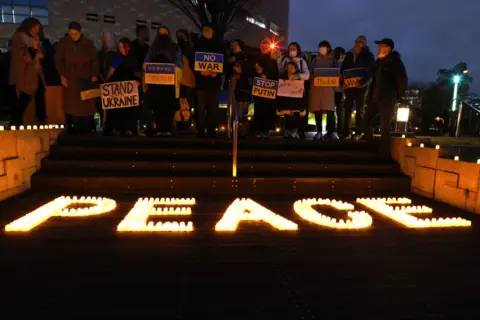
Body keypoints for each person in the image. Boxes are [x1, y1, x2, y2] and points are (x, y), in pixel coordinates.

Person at [366, 38, 408, 159]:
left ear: (388, 48)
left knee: (385, 126)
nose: (379, 48)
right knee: (364, 122)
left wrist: (397, 97)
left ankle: (383, 153)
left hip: (387, 99)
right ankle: (372, 145)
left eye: (381, 46)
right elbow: (371, 76)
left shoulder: (395, 63)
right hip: (374, 98)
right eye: (379, 46)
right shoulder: (378, 62)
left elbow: (402, 81)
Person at [55, 21, 99, 135]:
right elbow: (58, 60)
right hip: (71, 78)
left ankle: (88, 128)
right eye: (71, 33)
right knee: (72, 105)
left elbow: (94, 60)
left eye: (75, 33)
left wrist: (94, 74)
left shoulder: (88, 44)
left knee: (87, 105)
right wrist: (62, 75)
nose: (73, 36)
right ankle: (73, 127)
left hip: (86, 78)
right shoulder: (64, 43)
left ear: (80, 32)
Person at [144, 26, 182, 137]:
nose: (163, 36)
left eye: (165, 33)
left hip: (169, 85)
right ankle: (160, 129)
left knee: (168, 108)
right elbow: (146, 63)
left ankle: (169, 129)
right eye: (161, 34)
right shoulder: (153, 48)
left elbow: (179, 64)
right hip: (156, 85)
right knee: (157, 107)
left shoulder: (174, 47)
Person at [8, 17, 46, 126]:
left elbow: (41, 53)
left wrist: (39, 53)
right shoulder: (19, 37)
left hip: (36, 73)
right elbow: (20, 55)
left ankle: (40, 119)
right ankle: (15, 122)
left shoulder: (36, 38)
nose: (36, 30)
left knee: (39, 95)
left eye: (38, 28)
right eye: (34, 27)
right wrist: (34, 52)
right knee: (24, 97)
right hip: (24, 73)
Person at [102, 37, 141, 136]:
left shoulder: (133, 58)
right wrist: (105, 81)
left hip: (130, 89)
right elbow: (112, 71)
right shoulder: (117, 58)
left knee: (130, 111)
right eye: (119, 47)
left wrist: (139, 81)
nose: (120, 49)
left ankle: (130, 128)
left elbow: (136, 72)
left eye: (122, 47)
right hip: (120, 88)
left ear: (128, 47)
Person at [193, 24, 225, 138]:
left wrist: (217, 72)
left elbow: (224, 63)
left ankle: (211, 130)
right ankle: (200, 130)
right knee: (200, 109)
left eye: (208, 29)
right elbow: (192, 61)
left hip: (214, 83)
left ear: (213, 31)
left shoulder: (219, 46)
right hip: (201, 83)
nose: (205, 31)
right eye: (204, 30)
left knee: (213, 109)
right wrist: (200, 72)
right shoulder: (197, 45)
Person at [340, 35, 375, 140]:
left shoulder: (368, 55)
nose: (358, 43)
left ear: (365, 44)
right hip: (350, 86)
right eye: (356, 41)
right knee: (347, 108)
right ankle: (346, 132)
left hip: (362, 87)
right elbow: (343, 69)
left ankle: (359, 132)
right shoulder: (349, 55)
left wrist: (362, 83)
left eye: (361, 42)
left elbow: (371, 71)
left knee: (360, 109)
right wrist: (343, 81)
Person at [309, 41, 339, 140]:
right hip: (317, 87)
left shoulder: (334, 60)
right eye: (320, 47)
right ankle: (319, 131)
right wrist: (313, 76)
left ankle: (332, 131)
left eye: (324, 47)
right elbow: (310, 71)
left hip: (328, 88)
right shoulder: (315, 60)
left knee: (330, 109)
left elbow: (338, 72)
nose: (322, 49)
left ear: (329, 48)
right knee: (317, 109)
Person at [278, 42, 309, 139]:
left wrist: (298, 76)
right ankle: (287, 130)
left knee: (296, 111)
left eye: (294, 48)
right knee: (287, 111)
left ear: (298, 49)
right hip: (286, 92)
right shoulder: (284, 60)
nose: (292, 50)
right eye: (290, 48)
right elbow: (279, 71)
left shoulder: (301, 61)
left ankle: (298, 130)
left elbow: (307, 75)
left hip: (297, 92)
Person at [253, 38, 279, 138]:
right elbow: (251, 71)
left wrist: (266, 75)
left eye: (265, 47)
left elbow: (275, 74)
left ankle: (267, 130)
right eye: (262, 46)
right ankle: (258, 129)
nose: (263, 48)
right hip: (259, 89)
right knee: (259, 109)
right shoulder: (256, 58)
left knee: (268, 109)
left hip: (269, 90)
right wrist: (258, 73)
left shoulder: (273, 60)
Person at [229, 39, 254, 137]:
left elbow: (250, 71)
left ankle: (243, 131)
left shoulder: (247, 57)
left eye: (236, 45)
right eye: (232, 45)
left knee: (243, 110)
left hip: (245, 87)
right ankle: (235, 131)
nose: (234, 47)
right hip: (234, 86)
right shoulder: (231, 58)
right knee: (235, 110)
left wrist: (241, 71)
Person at [132, 25, 152, 135]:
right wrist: (137, 72)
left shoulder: (147, 47)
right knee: (136, 104)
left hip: (145, 80)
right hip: (136, 79)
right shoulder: (134, 46)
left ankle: (147, 127)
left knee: (145, 105)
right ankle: (136, 127)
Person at [176, 29, 195, 118]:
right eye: (179, 36)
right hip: (179, 79)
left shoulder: (191, 48)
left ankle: (188, 119)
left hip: (188, 79)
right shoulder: (177, 49)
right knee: (180, 101)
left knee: (188, 101)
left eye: (182, 35)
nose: (181, 37)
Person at [333, 46, 346, 136]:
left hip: (341, 91)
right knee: (331, 111)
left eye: (340, 54)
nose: (338, 56)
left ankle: (340, 131)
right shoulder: (332, 64)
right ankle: (332, 129)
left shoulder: (345, 65)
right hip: (332, 90)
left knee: (340, 112)